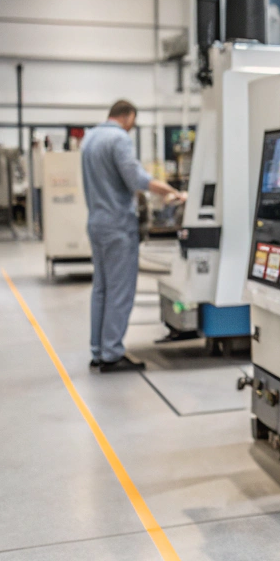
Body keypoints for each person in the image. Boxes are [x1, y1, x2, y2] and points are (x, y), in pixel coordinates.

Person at [82, 100, 185, 372]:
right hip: (117, 225)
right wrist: (171, 192)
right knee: (119, 290)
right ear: (128, 117)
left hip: (96, 222)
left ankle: (99, 349)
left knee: (102, 288)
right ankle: (113, 353)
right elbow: (137, 179)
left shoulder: (90, 138)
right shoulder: (119, 139)